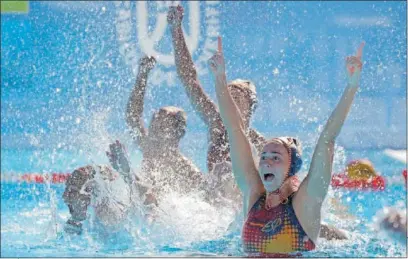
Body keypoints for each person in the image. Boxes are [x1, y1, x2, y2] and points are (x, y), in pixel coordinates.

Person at [167, 5, 347, 241]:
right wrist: (176, 30)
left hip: (246, 208)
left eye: (236, 97)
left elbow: (292, 180)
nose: (228, 100)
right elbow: (189, 79)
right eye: (227, 94)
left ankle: (330, 230)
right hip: (217, 205)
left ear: (250, 106)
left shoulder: (263, 146)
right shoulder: (216, 122)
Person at [208, 36, 364, 255]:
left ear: (291, 168)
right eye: (263, 157)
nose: (266, 162)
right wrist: (219, 79)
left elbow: (327, 139)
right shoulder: (253, 194)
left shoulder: (305, 203)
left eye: (276, 157)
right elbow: (235, 130)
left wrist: (352, 85)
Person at [63, 56, 205, 234]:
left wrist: (127, 172)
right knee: (86, 175)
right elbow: (133, 117)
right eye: (153, 123)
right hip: (134, 206)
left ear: (178, 133)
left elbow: (173, 209)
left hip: (155, 220)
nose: (153, 128)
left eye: (161, 125)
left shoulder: (187, 170)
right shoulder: (150, 147)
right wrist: (142, 75)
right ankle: (76, 223)